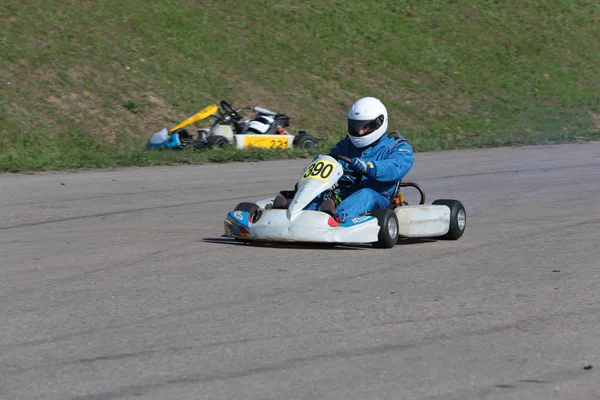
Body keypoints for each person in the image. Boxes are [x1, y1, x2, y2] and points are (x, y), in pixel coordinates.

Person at [274, 97, 414, 222]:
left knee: (366, 194)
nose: (359, 132)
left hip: (379, 198)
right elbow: (332, 161)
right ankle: (294, 214)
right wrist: (318, 165)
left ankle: (335, 218)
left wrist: (368, 167)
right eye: (356, 126)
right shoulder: (345, 145)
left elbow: (395, 167)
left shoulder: (398, 146)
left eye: (365, 127)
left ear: (379, 123)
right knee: (321, 192)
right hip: (343, 193)